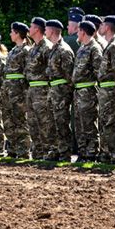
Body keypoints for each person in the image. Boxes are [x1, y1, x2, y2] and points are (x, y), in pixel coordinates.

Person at [97, 15, 115, 163]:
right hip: (105, 91)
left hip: (111, 91)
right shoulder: (110, 44)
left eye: (102, 25)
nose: (100, 28)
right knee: (105, 123)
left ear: (107, 27)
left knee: (111, 123)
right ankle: (106, 154)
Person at [25, 17, 55, 159]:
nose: (29, 29)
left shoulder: (47, 47)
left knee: (44, 122)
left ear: (37, 29)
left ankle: (48, 151)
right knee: (32, 122)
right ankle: (38, 152)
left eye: (31, 26)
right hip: (32, 90)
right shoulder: (33, 48)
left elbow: (51, 70)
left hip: (42, 91)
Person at [72, 20, 102, 161]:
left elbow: (99, 71)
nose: (77, 34)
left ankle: (91, 153)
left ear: (83, 32)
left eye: (78, 31)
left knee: (89, 123)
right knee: (79, 124)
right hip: (78, 91)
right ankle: (82, 152)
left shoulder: (94, 48)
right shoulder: (82, 48)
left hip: (88, 91)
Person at [45, 19, 75, 160]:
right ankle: (55, 150)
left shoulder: (64, 50)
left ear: (52, 31)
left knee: (62, 122)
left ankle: (65, 152)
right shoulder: (53, 49)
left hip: (61, 92)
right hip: (53, 91)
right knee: (52, 123)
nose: (45, 32)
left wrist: (66, 95)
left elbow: (69, 76)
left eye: (46, 29)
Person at [4, 22, 32, 158]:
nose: (10, 34)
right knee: (9, 121)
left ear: (17, 33)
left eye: (12, 32)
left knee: (20, 120)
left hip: (19, 91)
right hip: (9, 91)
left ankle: (23, 150)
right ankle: (12, 148)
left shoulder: (26, 50)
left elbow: (28, 72)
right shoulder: (13, 50)